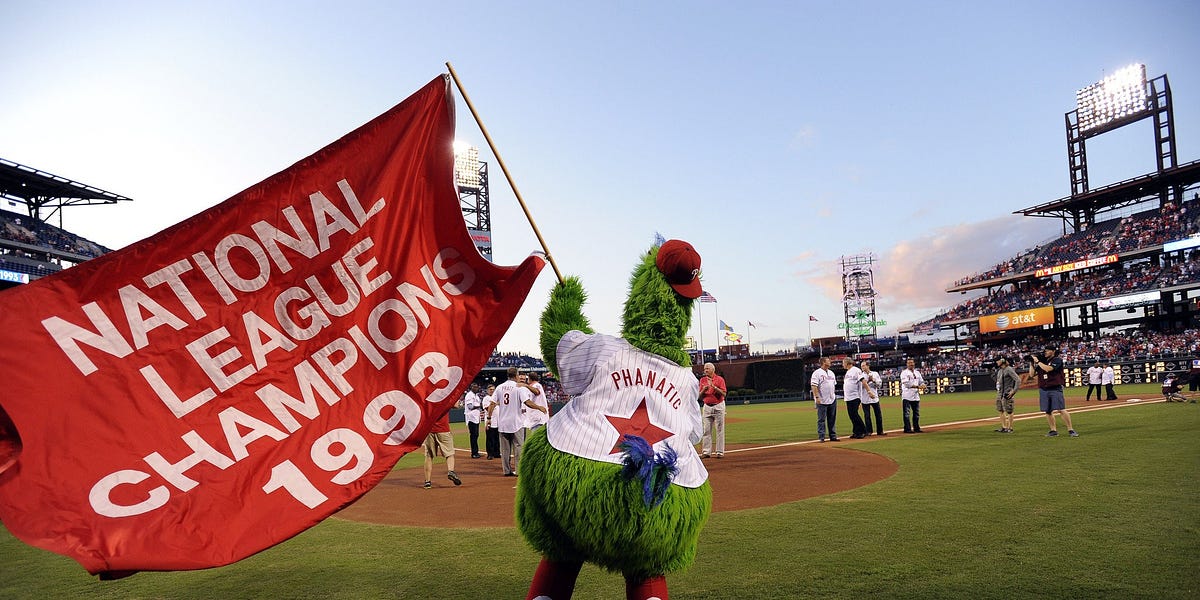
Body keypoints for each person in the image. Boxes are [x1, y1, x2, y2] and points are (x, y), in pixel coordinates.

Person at [492, 368, 538, 476]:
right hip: (516, 423)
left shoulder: (499, 387)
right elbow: (527, 402)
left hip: (503, 423)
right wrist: (539, 407)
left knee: (505, 450)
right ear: (516, 375)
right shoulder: (518, 387)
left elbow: (492, 403)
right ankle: (518, 471)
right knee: (518, 448)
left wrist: (489, 418)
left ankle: (506, 471)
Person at [1030, 346, 1077, 437]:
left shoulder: (1057, 360)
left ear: (1053, 351)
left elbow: (1049, 369)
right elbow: (1031, 374)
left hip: (1055, 388)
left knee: (1061, 409)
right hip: (1044, 389)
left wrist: (1038, 362)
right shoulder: (1042, 362)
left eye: (1047, 350)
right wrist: (1031, 363)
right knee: (1048, 411)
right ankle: (1053, 430)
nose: (1045, 352)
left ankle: (1071, 429)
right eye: (1045, 351)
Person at [422, 409, 462, 489]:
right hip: (443, 429)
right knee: (449, 454)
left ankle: (427, 481)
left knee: (429, 456)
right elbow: (456, 405)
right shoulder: (444, 397)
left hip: (429, 429)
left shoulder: (427, 399)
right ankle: (451, 471)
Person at [699, 362, 727, 458]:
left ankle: (719, 452)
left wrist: (714, 387)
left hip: (718, 405)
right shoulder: (702, 380)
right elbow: (699, 396)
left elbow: (724, 394)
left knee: (719, 429)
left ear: (712, 370)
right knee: (706, 430)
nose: (705, 370)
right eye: (705, 368)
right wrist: (704, 389)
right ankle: (706, 452)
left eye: (707, 368)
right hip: (707, 406)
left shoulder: (719, 379)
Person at [810, 356, 838, 442]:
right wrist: (817, 397)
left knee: (832, 418)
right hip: (821, 400)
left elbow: (833, 385)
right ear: (823, 362)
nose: (830, 362)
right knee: (821, 419)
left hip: (832, 399)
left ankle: (832, 436)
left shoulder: (831, 373)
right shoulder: (817, 373)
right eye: (828, 361)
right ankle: (821, 436)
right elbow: (814, 386)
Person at [992, 357, 1021, 433]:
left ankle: (1010, 428)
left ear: (1002, 361)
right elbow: (998, 381)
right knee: (1000, 410)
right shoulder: (1000, 371)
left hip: (1007, 393)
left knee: (1009, 410)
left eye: (998, 360)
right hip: (1000, 393)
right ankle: (1004, 427)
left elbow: (1018, 380)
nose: (996, 362)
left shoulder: (1009, 369)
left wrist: (1013, 391)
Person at [842, 358, 868, 439]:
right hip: (848, 397)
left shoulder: (856, 370)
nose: (843, 364)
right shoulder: (848, 372)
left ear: (847, 363)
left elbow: (863, 380)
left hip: (855, 396)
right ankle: (856, 432)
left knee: (854, 414)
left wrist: (869, 391)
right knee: (851, 415)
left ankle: (863, 430)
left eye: (843, 362)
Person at [900, 358, 926, 433]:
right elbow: (906, 384)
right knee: (906, 414)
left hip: (916, 396)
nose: (911, 364)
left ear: (914, 363)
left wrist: (923, 385)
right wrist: (918, 387)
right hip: (907, 396)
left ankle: (916, 428)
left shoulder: (917, 372)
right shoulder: (904, 373)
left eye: (912, 363)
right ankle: (907, 429)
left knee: (916, 414)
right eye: (909, 363)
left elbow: (921, 381)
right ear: (907, 364)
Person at [859, 360, 884, 436]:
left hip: (874, 397)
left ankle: (880, 431)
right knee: (867, 416)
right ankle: (869, 431)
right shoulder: (860, 375)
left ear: (868, 366)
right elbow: (860, 387)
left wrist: (873, 380)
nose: (862, 367)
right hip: (865, 398)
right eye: (861, 366)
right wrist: (867, 381)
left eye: (863, 365)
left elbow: (879, 385)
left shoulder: (875, 374)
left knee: (878, 415)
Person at [463, 383, 484, 458]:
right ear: (471, 388)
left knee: (476, 435)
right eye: (474, 387)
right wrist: (479, 406)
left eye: (477, 387)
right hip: (471, 418)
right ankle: (474, 453)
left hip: (476, 417)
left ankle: (476, 451)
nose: (476, 388)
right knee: (473, 435)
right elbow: (470, 406)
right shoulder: (469, 395)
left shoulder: (476, 395)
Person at [483, 384, 500, 460]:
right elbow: (487, 408)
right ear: (487, 390)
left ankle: (497, 453)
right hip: (490, 421)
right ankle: (490, 454)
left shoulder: (497, 398)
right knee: (490, 438)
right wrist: (496, 404)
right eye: (491, 389)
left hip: (498, 421)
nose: (492, 391)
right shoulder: (486, 398)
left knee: (497, 438)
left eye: (493, 389)